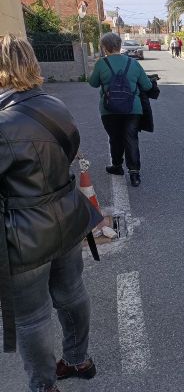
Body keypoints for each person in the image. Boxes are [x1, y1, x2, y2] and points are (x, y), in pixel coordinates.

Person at [0, 34, 102, 392]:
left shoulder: (3, 123)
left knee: (31, 317)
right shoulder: (56, 105)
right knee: (72, 291)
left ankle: (43, 386)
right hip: (68, 217)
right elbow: (70, 152)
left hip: (24, 234)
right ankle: (78, 359)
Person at [89, 33, 153, 187]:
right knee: (131, 138)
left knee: (115, 138)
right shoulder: (133, 63)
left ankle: (117, 166)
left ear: (104, 47)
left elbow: (93, 83)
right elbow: (147, 86)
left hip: (109, 109)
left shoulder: (101, 63)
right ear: (119, 45)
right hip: (133, 109)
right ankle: (134, 174)